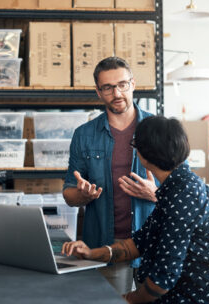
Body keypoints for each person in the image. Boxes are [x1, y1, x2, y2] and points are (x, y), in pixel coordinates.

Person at [62, 116, 209, 304]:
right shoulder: (174, 188)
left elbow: (162, 279)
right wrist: (91, 253)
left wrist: (125, 299)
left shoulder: (183, 196)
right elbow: (139, 243)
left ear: (144, 155)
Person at [63, 57, 158, 294]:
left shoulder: (160, 129)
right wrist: (82, 195)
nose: (117, 93)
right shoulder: (84, 135)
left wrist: (155, 193)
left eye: (122, 85)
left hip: (155, 244)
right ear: (98, 91)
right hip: (107, 246)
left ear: (133, 84)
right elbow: (68, 194)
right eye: (108, 87)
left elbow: (187, 191)